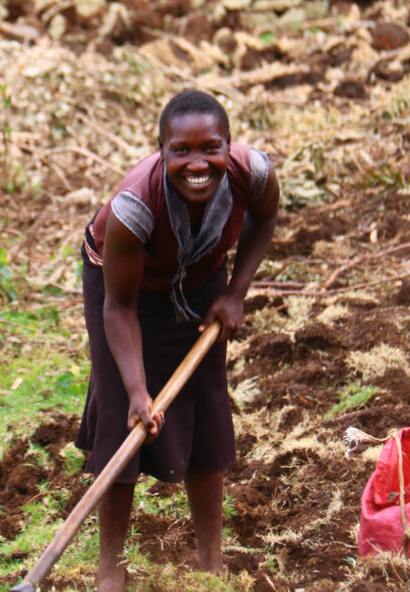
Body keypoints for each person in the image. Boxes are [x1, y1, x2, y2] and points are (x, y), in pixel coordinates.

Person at [75, 89, 280, 590]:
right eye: (180, 151)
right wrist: (139, 391)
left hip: (202, 273)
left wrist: (235, 293)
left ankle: (211, 560)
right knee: (124, 415)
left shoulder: (252, 174)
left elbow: (265, 218)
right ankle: (110, 570)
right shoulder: (133, 209)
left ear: (228, 146)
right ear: (161, 150)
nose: (197, 163)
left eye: (209, 148)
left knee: (208, 405)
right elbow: (119, 309)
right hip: (126, 289)